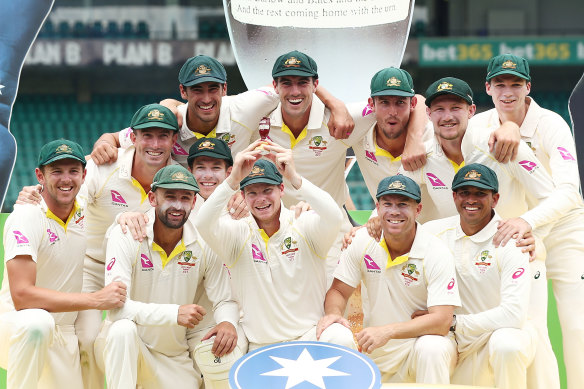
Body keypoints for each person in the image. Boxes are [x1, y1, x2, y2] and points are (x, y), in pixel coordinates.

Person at [473, 54, 584, 389]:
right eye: (501, 84)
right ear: (488, 87)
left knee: (577, 324)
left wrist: (528, 221)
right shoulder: (478, 125)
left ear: (528, 87)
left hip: (561, 227)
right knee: (524, 326)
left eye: (516, 84)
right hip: (515, 235)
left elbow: (568, 193)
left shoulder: (552, 124)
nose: (509, 92)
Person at [96, 165, 243, 389]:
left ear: (194, 203)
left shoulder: (204, 241)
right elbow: (117, 309)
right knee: (122, 330)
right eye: (170, 196)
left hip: (174, 356)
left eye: (185, 198)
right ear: (152, 198)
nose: (177, 205)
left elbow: (224, 298)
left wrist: (228, 322)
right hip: (125, 347)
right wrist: (174, 313)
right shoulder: (126, 233)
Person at [194, 140, 344, 351]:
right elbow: (203, 222)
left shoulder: (304, 223)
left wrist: (295, 178)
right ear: (243, 196)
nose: (261, 199)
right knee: (215, 355)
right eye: (252, 193)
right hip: (261, 343)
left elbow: (334, 216)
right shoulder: (236, 234)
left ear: (281, 189)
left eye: (267, 190)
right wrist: (232, 180)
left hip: (310, 335)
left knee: (341, 337)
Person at [0, 139, 126, 388]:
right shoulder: (26, 216)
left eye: (73, 171)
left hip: (63, 334)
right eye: (56, 171)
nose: (65, 179)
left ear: (84, 175)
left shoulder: (84, 211)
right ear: (40, 175)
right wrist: (96, 300)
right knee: (38, 322)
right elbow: (23, 296)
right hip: (16, 326)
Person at [317, 175, 460, 384]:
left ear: (418, 210)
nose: (394, 211)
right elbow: (339, 291)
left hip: (417, 350)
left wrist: (388, 331)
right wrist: (333, 314)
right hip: (376, 351)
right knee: (334, 333)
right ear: (377, 207)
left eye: (403, 204)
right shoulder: (361, 241)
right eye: (388, 204)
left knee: (432, 347)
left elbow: (442, 321)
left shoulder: (436, 251)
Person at [424, 164, 537, 389]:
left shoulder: (513, 239)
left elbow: (514, 314)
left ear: (495, 199)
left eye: (480, 193)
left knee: (508, 345)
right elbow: (392, 237)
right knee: (429, 347)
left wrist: (455, 323)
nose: (471, 200)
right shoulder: (431, 232)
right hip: (453, 338)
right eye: (465, 192)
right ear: (454, 196)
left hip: (496, 333)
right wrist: (363, 230)